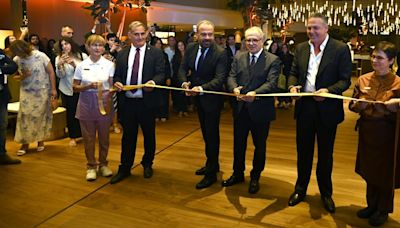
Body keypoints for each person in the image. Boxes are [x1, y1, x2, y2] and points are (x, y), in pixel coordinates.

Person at [287, 13, 352, 213]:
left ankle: (326, 193)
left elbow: (345, 80)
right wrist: (292, 87)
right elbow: (293, 74)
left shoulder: (340, 49)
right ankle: (300, 189)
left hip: (327, 109)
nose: (311, 32)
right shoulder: (300, 48)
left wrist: (329, 91)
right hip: (305, 106)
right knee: (303, 151)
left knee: (325, 154)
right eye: (309, 28)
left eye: (316, 28)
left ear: (326, 29)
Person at [223, 26, 281, 194]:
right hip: (241, 109)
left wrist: (256, 93)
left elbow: (272, 83)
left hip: (261, 111)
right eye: (248, 40)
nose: (251, 43)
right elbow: (231, 76)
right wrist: (233, 88)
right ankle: (237, 173)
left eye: (255, 40)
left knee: (259, 146)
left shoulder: (273, 60)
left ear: (262, 41)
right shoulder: (238, 57)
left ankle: (255, 176)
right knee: (238, 144)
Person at [349, 41, 400, 226]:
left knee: (385, 173)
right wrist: (358, 106)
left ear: (391, 60)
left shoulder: (398, 83)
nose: (375, 61)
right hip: (367, 131)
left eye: (380, 58)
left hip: (388, 134)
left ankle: (383, 209)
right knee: (369, 170)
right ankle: (371, 205)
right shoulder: (363, 79)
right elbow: (352, 104)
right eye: (373, 56)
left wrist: (396, 109)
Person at [110, 21, 165, 184]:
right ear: (130, 35)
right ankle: (125, 167)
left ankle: (148, 164)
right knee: (128, 136)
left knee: (149, 135)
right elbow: (117, 75)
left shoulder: (156, 53)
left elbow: (161, 73)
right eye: (136, 34)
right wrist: (117, 82)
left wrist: (153, 83)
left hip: (147, 102)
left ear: (146, 33)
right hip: (128, 103)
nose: (140, 37)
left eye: (143, 33)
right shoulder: (122, 54)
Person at [178, 20, 228, 189]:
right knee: (206, 134)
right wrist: (184, 82)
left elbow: (220, 79)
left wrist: (200, 88)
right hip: (198, 99)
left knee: (212, 135)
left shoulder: (221, 52)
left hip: (211, 99)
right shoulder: (191, 48)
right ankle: (212, 164)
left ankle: (211, 174)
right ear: (197, 35)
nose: (207, 37)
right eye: (204, 34)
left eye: (210, 34)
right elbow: (182, 68)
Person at [73, 35, 115, 181]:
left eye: (101, 45)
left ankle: (103, 164)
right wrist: (88, 86)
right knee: (88, 138)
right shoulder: (80, 65)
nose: (98, 48)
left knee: (104, 137)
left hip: (104, 103)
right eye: (94, 45)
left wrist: (113, 89)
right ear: (88, 47)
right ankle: (91, 165)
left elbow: (111, 85)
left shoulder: (109, 65)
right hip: (86, 103)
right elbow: (75, 87)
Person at [10, 40, 57, 156]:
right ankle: (24, 143)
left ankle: (40, 141)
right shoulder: (17, 59)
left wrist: (53, 89)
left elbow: (51, 72)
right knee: (25, 117)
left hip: (42, 90)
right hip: (26, 91)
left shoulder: (40, 56)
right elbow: (14, 76)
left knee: (40, 116)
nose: (20, 56)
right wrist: (22, 76)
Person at [56, 37, 87, 146]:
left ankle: (85, 134)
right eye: (62, 45)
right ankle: (73, 136)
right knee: (71, 113)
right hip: (66, 89)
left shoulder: (82, 56)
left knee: (83, 112)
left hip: (81, 88)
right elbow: (60, 76)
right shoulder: (58, 58)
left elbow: (86, 73)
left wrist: (74, 65)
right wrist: (60, 65)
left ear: (72, 44)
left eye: (66, 43)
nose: (65, 46)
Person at [0, 49, 21, 165]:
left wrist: (0, 70)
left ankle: (2, 154)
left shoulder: (0, 53)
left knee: (2, 125)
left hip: (2, 96)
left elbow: (13, 66)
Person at [151, 37, 171, 122]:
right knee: (154, 99)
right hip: (153, 79)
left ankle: (164, 114)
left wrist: (168, 77)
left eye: (160, 43)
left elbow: (167, 67)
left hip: (163, 79)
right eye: (157, 43)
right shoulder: (150, 54)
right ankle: (156, 115)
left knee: (164, 98)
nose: (158, 45)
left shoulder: (164, 54)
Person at [171, 41, 188, 117]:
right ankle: (180, 110)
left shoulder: (188, 55)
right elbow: (175, 68)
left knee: (186, 95)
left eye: (182, 45)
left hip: (187, 77)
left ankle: (185, 109)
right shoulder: (175, 56)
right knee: (179, 95)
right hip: (177, 78)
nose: (181, 47)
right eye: (179, 45)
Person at [277, 43, 294, 109]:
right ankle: (281, 101)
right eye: (283, 47)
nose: (284, 49)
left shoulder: (291, 56)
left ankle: (288, 101)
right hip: (281, 74)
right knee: (281, 88)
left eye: (285, 47)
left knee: (288, 88)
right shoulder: (279, 56)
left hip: (288, 74)